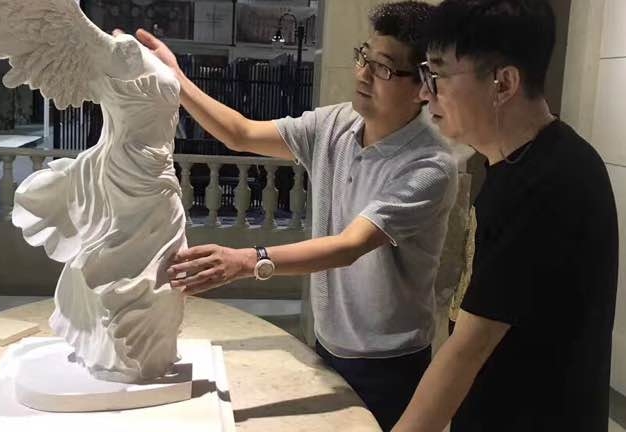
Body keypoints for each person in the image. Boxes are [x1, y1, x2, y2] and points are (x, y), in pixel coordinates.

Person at [130, 2, 458, 430]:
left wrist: (247, 260)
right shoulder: (336, 124)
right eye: (364, 57)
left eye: (382, 68)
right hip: (327, 344)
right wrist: (176, 77)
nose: (362, 74)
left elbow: (350, 245)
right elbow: (240, 133)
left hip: (390, 363)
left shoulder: (430, 166)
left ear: (422, 86)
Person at [393, 1, 619, 431]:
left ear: (504, 83)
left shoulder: (549, 182)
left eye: (437, 76)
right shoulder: (518, 164)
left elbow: (467, 351)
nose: (424, 93)